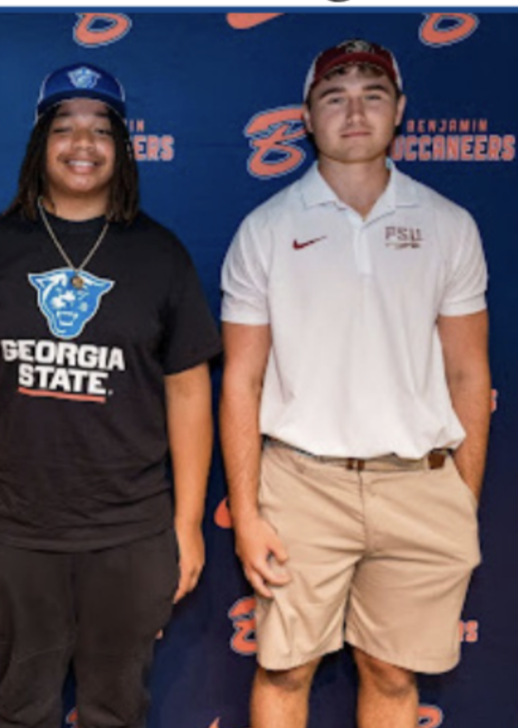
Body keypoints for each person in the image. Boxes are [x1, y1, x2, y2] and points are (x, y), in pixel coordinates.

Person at [0, 63, 222, 728]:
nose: (82, 143)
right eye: (64, 127)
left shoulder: (161, 255)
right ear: (40, 143)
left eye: (101, 129)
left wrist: (186, 523)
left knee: (117, 710)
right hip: (15, 533)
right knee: (19, 709)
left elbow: (187, 396)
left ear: (122, 147)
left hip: (130, 533)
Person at [220, 39, 490, 728]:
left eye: (373, 94)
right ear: (306, 118)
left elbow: (468, 372)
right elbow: (241, 382)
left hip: (420, 484)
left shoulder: (450, 226)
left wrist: (462, 495)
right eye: (334, 97)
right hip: (302, 485)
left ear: (400, 110)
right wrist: (246, 513)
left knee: (393, 673)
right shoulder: (265, 230)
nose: (355, 111)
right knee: (284, 669)